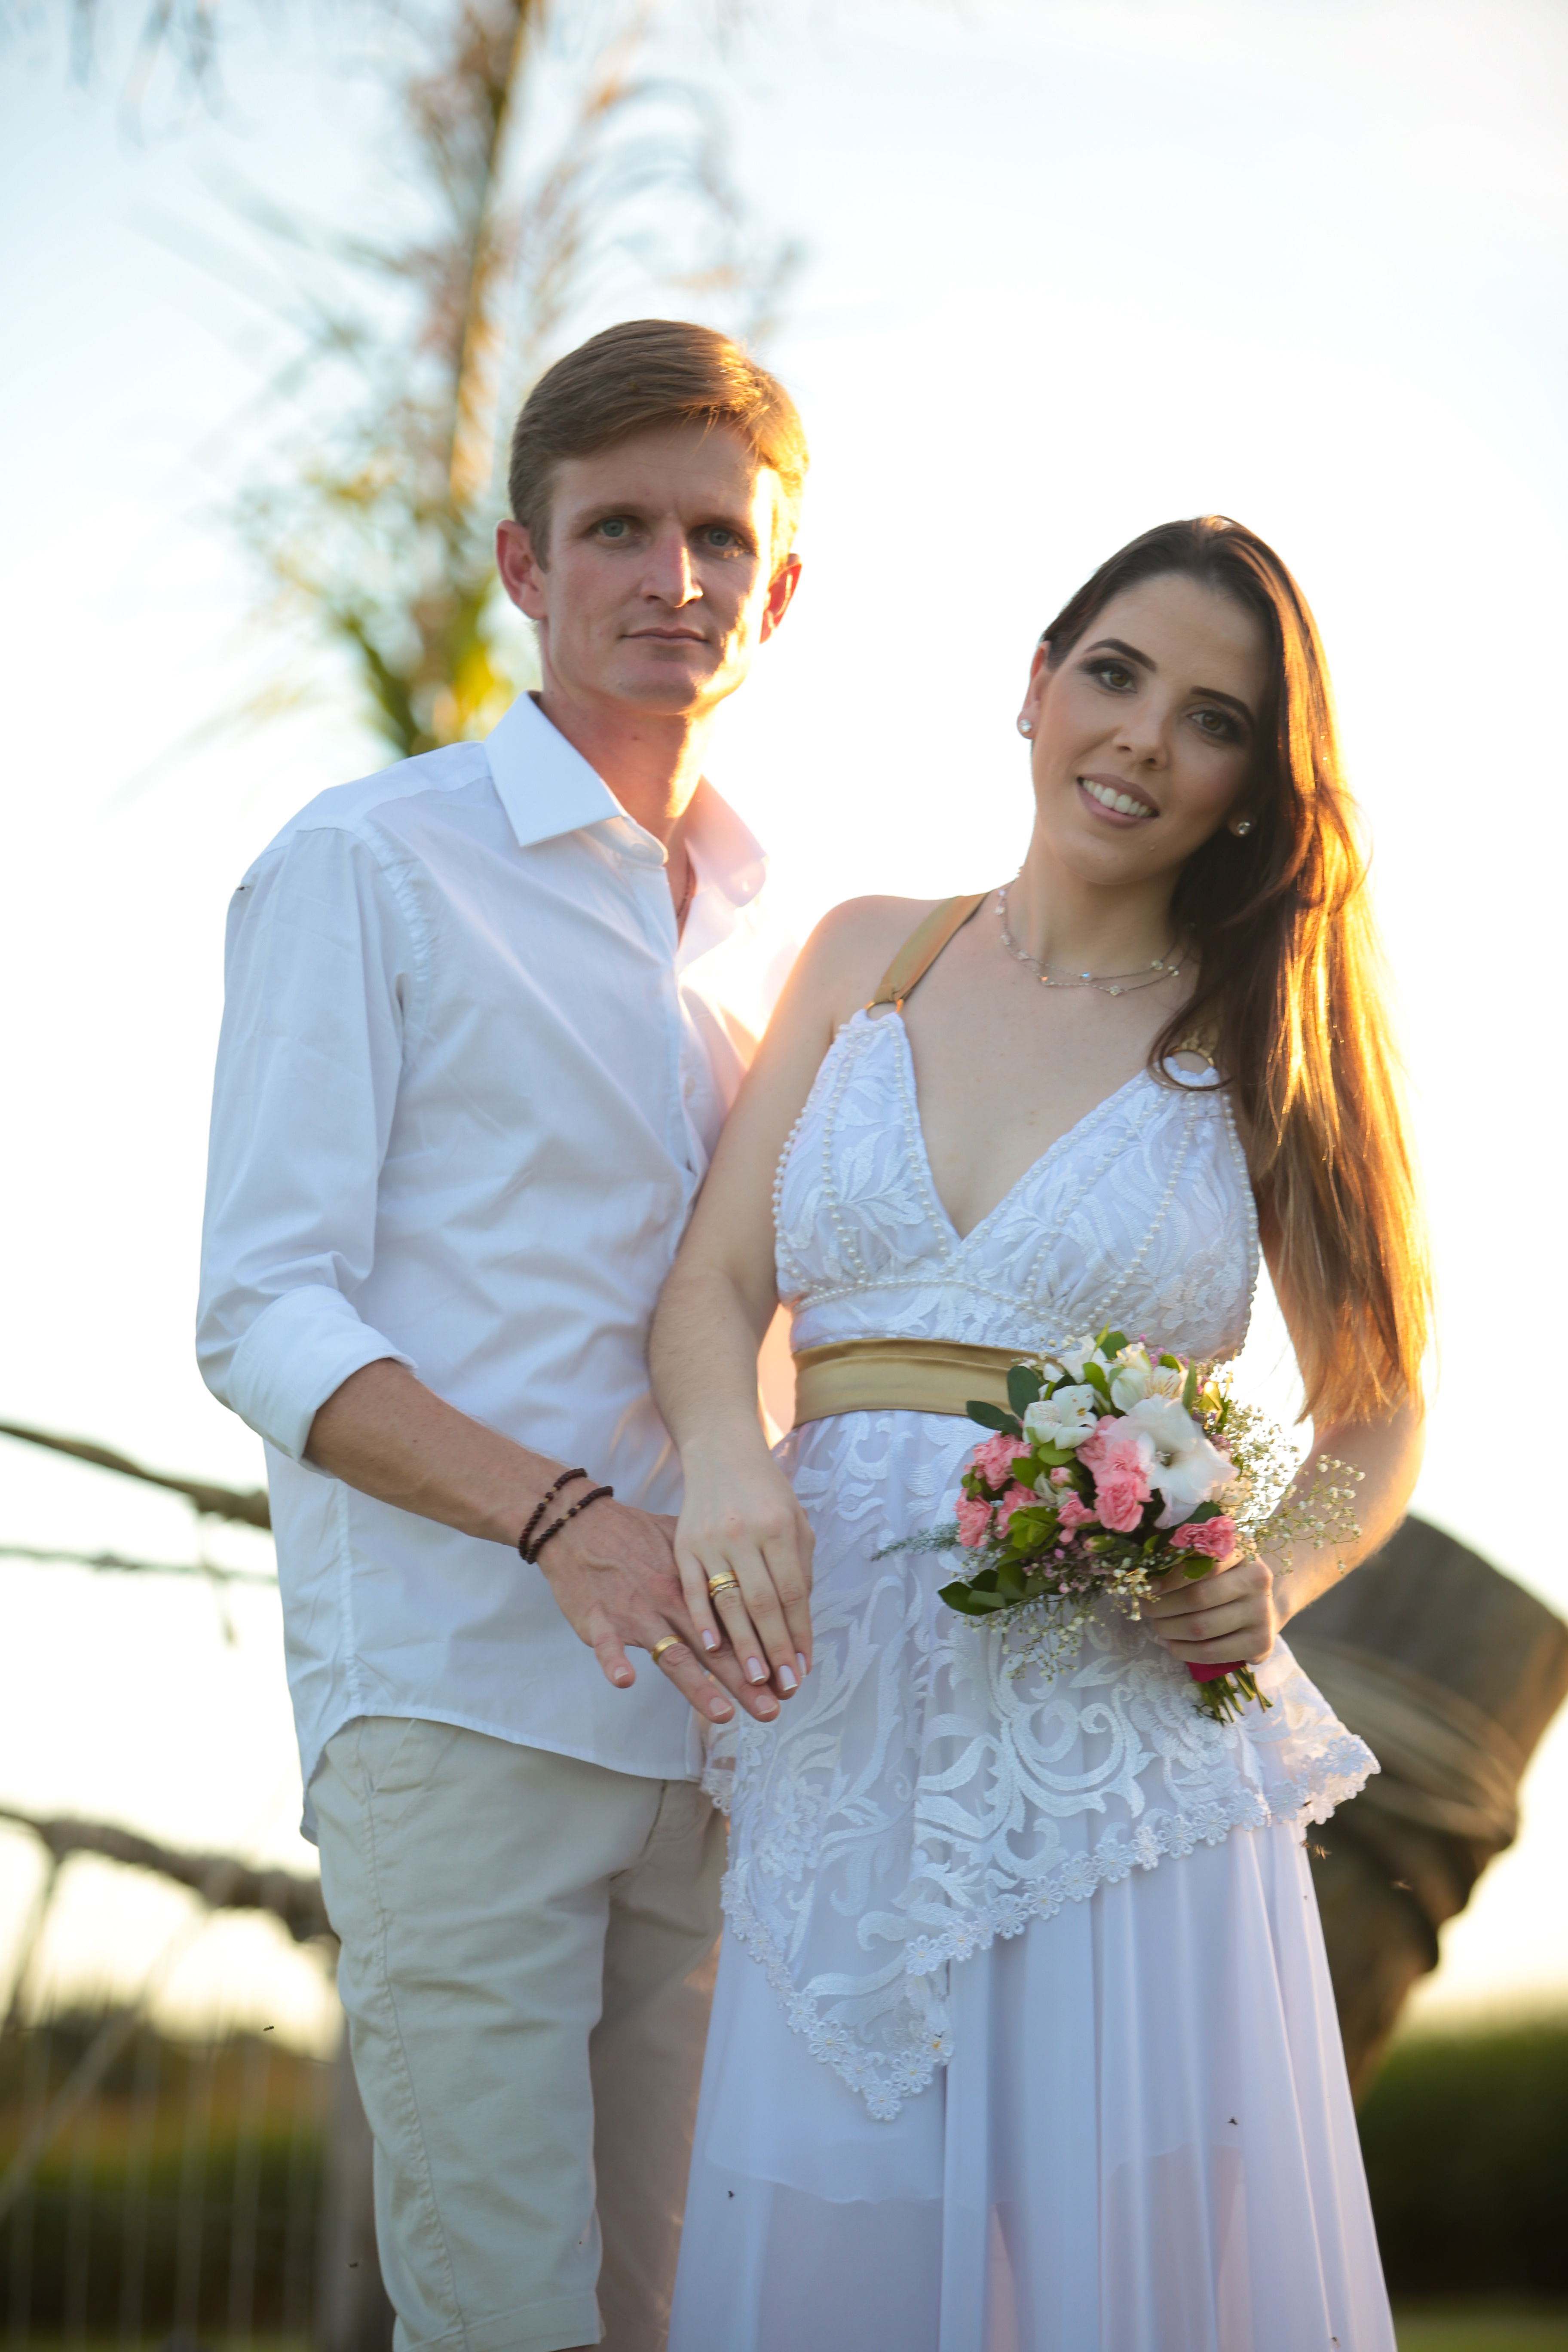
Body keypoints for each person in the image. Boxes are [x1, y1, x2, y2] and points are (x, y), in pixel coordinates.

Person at [649, 515, 1431, 2351]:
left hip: (1112, 1765)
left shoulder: (1264, 1040)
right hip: (837, 1707)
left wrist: (1273, 1569)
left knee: (1117, 2278)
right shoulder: (865, 956)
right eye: (1117, 674)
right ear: (1034, 685)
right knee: (828, 2234)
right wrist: (733, 1463)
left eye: (1216, 720)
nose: (1148, 740)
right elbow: (707, 1297)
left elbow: (1380, 1409)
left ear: (1255, 788)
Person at [197, 318, 814, 2352]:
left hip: (724, 1756)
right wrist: (562, 1520)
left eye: (718, 536)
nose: (675, 578)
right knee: (508, 2324)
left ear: (780, 588)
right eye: (617, 528)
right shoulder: (367, 864)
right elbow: (261, 1311)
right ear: (524, 570)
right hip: (461, 1714)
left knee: (681, 2321)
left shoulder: (777, 956)